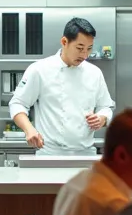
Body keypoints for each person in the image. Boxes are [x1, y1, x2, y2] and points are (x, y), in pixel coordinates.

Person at [8, 17, 116, 156]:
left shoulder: (94, 73)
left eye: (89, 49)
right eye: (79, 48)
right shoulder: (40, 69)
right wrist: (29, 129)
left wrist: (102, 118)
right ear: (64, 42)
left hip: (86, 154)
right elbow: (18, 103)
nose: (84, 55)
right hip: (50, 154)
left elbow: (105, 107)